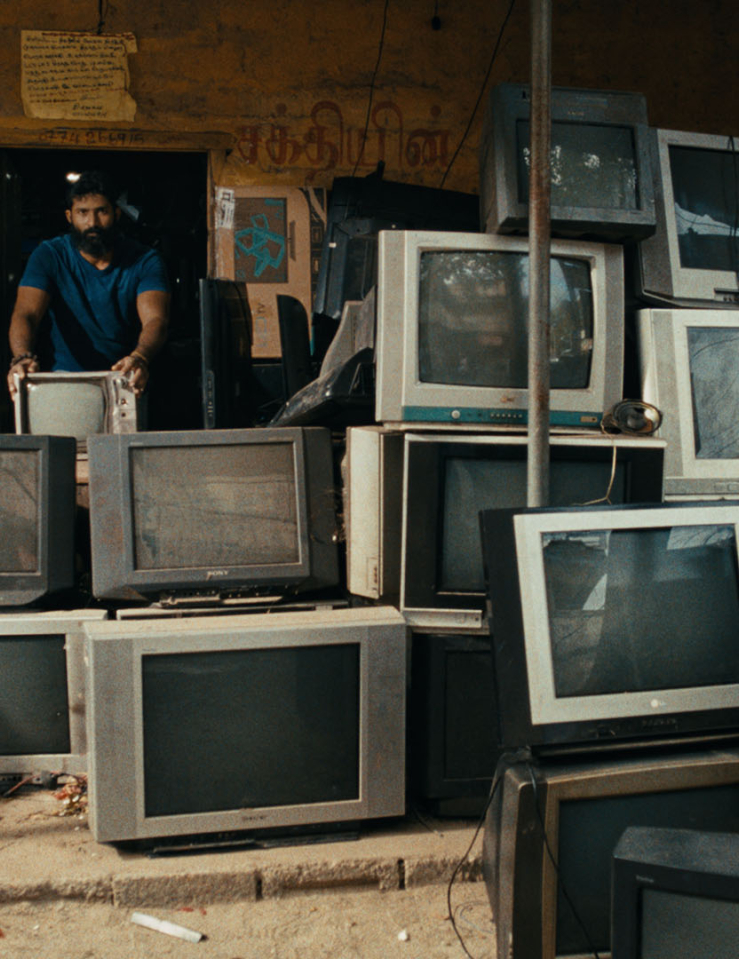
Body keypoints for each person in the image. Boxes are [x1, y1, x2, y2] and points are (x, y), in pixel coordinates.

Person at [6, 170, 170, 401]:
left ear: (116, 213)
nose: (92, 223)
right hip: (64, 377)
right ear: (69, 216)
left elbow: (155, 320)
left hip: (125, 373)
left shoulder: (145, 260)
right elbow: (26, 314)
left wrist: (140, 357)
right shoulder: (49, 255)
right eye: (82, 212)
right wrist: (22, 358)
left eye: (101, 211)